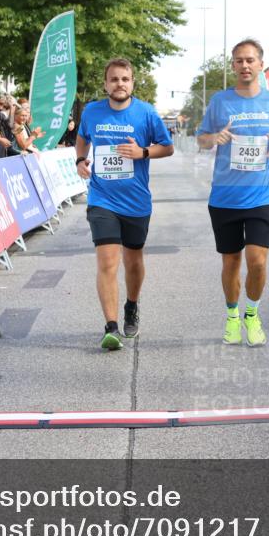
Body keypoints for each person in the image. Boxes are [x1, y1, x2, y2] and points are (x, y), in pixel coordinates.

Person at [76, 58, 174, 350]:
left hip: (136, 201)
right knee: (107, 261)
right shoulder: (92, 111)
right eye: (114, 79)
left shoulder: (146, 113)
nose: (119, 84)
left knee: (133, 261)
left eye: (125, 79)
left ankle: (131, 305)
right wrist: (80, 159)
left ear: (132, 83)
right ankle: (111, 327)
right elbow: (82, 138)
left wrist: (143, 152)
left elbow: (167, 147)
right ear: (105, 84)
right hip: (102, 198)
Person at [197, 39, 269, 347]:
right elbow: (201, 139)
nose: (244, 65)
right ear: (233, 66)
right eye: (239, 60)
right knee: (231, 262)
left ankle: (252, 314)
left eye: (250, 60)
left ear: (260, 64)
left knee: (257, 261)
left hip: (262, 195)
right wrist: (215, 137)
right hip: (225, 196)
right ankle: (233, 316)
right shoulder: (220, 101)